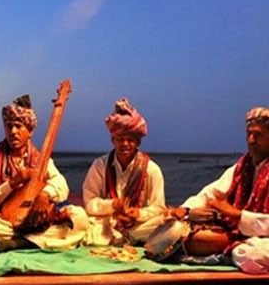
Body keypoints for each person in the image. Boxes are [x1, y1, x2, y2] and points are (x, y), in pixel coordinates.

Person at [0, 95, 88, 251]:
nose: (13, 131)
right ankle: (36, 241)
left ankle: (21, 242)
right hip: (5, 221)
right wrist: (12, 183)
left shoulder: (41, 159)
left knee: (80, 217)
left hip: (36, 220)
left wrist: (44, 195)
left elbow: (61, 185)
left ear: (30, 131)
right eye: (9, 126)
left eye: (18, 126)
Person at [169, 107, 269, 274]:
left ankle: (230, 252)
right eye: (249, 134)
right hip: (246, 235)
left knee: (250, 255)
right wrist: (185, 210)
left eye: (258, 135)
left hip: (262, 239)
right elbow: (210, 193)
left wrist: (237, 215)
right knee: (178, 231)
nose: (251, 140)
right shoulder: (243, 166)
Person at [82, 97, 166, 246]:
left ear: (138, 142)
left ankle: (126, 237)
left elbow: (158, 207)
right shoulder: (100, 165)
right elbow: (90, 202)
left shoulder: (152, 169)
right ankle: (127, 238)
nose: (125, 144)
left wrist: (138, 214)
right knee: (78, 216)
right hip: (107, 223)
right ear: (113, 140)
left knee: (165, 222)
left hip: (138, 224)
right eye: (120, 139)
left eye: (130, 139)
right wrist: (112, 205)